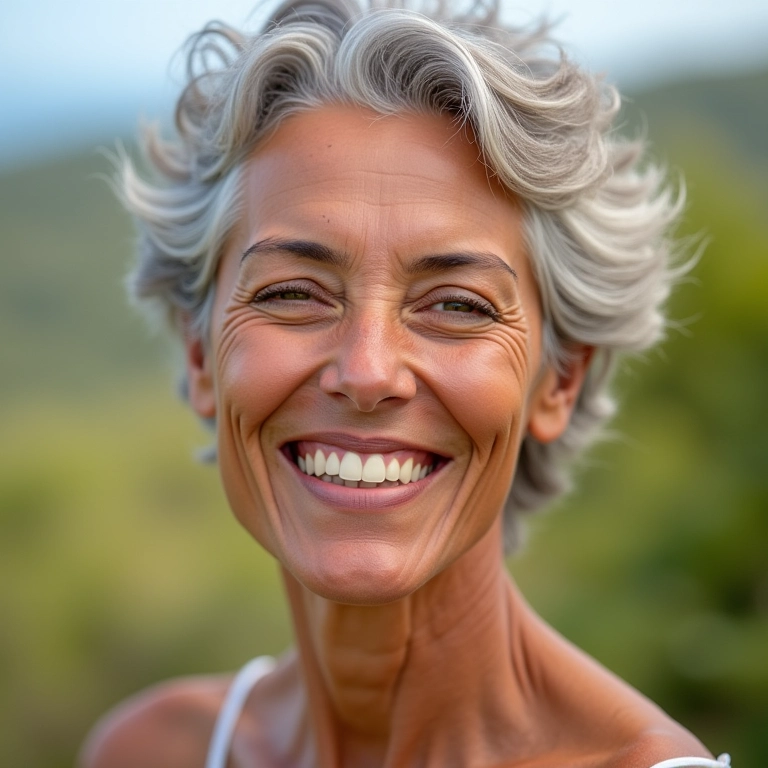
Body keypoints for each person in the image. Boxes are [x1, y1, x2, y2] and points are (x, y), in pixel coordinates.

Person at [80, 1, 731, 766]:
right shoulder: (150, 752)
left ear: (559, 377)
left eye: (456, 306)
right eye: (293, 293)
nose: (366, 372)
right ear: (199, 355)